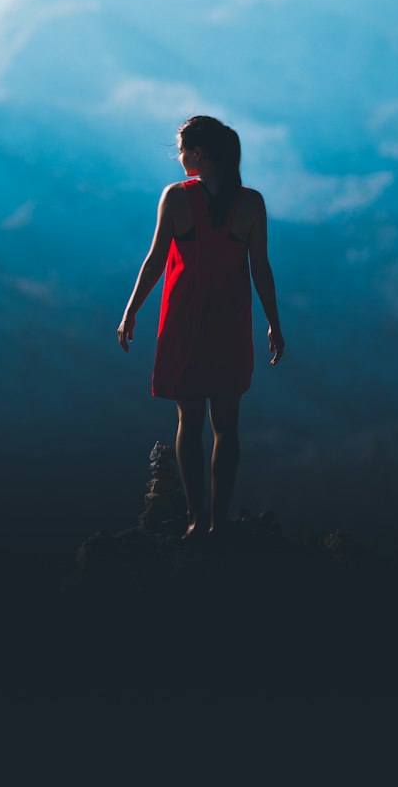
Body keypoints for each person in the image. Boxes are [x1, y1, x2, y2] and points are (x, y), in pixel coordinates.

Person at [117, 115, 285, 541]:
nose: (178, 156)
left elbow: (155, 261)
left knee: (188, 421)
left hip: (183, 318)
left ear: (199, 154)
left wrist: (131, 309)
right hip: (230, 320)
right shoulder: (251, 204)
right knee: (227, 425)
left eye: (181, 148)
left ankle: (194, 520)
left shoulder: (175, 198)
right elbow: (260, 269)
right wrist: (273, 323)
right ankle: (219, 521)